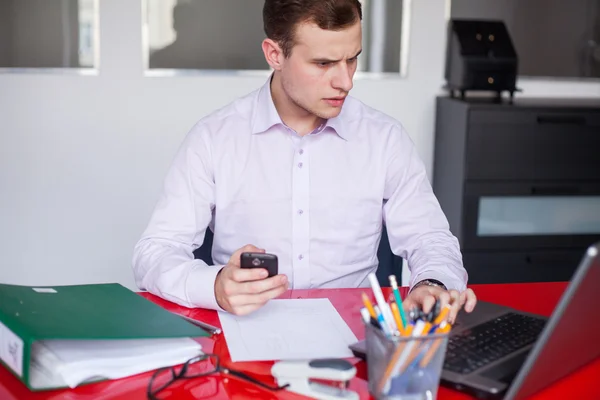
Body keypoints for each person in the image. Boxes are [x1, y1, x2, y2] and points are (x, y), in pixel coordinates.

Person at [133, 0, 477, 323]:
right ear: (274, 54)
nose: (345, 81)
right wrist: (214, 286)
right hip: (245, 335)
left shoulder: (385, 138)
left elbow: (430, 237)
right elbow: (156, 252)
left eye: (352, 59)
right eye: (323, 63)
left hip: (355, 337)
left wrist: (432, 283)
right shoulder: (214, 138)